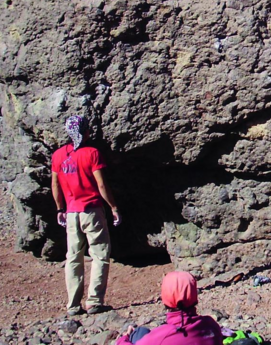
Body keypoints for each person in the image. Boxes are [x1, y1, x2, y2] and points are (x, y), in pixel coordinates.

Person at [51, 115, 121, 316]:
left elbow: (55, 185)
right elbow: (101, 184)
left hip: (71, 212)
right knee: (99, 254)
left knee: (73, 257)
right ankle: (94, 301)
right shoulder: (92, 153)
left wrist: (59, 209)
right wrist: (114, 207)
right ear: (86, 131)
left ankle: (73, 305)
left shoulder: (58, 156)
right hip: (91, 210)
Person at [116, 271, 224, 345]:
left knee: (138, 333)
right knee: (141, 332)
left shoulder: (163, 335)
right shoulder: (211, 325)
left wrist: (123, 338)